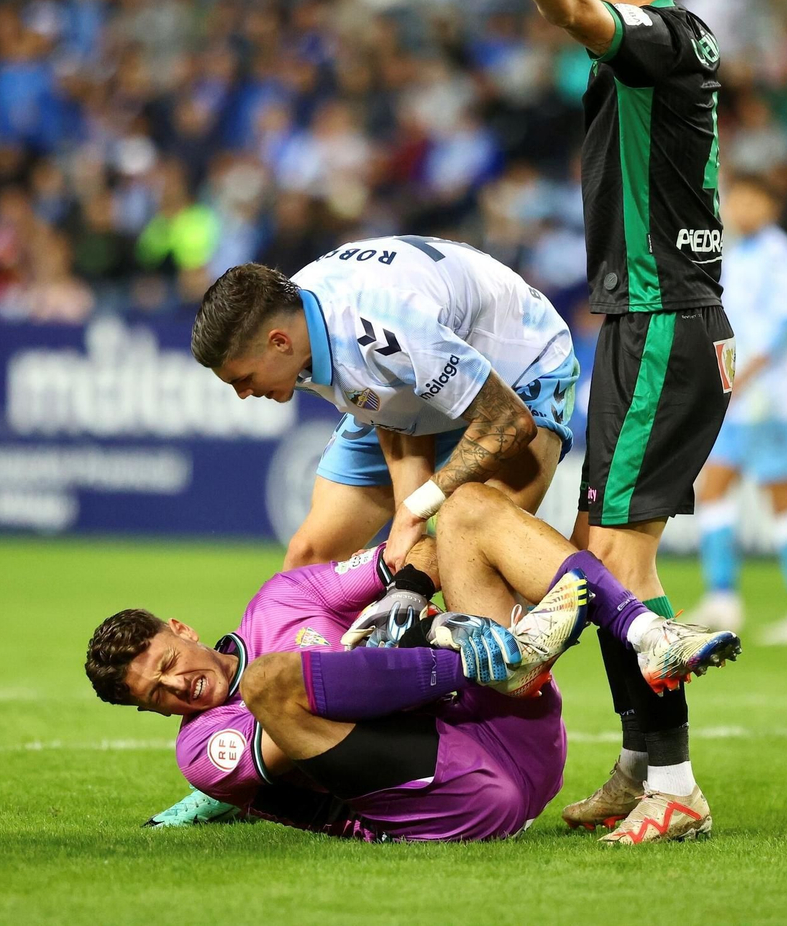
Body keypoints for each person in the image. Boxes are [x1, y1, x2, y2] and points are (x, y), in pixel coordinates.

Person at [146, 236, 578, 826]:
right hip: (419, 387)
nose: (244, 394)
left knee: (460, 545)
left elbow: (507, 422)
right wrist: (406, 517)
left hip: (516, 376)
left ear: (278, 342)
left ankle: (494, 763)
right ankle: (266, 747)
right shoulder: (302, 325)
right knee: (310, 550)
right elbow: (392, 403)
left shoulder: (375, 325)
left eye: (242, 379)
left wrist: (422, 512)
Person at [491, 0, 736, 844]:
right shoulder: (663, 39)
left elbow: (577, 16)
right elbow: (582, 14)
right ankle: (642, 766)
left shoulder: (660, 35)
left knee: (619, 562)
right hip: (648, 321)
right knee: (598, 558)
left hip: (665, 318)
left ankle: (675, 788)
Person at [84, 483, 739, 842]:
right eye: (158, 697)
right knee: (268, 685)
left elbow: (414, 555)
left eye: (167, 663)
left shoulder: (279, 599)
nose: (179, 687)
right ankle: (491, 658)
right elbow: (290, 726)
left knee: (465, 510)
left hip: (513, 736)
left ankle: (641, 628)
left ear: (181, 629)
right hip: (447, 801)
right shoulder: (201, 754)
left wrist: (405, 594)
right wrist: (419, 647)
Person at [688, 176, 787, 643]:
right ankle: (723, 597)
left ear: (771, 204)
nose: (742, 207)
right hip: (734, 398)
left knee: (784, 496)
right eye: (736, 198)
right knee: (713, 489)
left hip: (773, 398)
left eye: (753, 198)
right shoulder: (725, 254)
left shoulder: (782, 255)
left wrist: (745, 377)